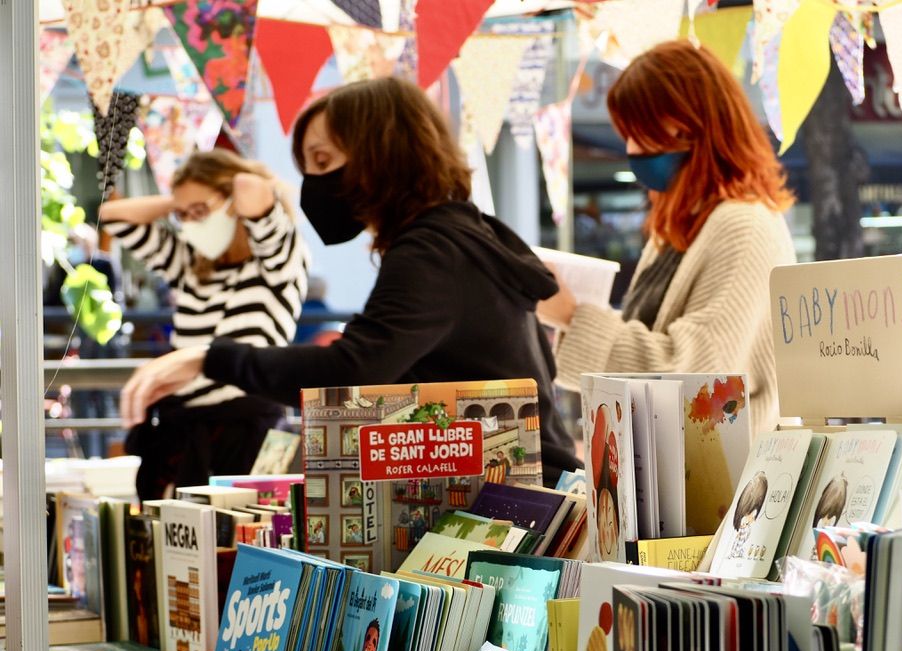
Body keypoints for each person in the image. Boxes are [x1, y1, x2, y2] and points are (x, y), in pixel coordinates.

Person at [118, 77, 579, 485]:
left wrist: (210, 359)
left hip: (520, 501)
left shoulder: (432, 250)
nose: (314, 184)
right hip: (526, 484)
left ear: (384, 151)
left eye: (323, 160)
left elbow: (351, 372)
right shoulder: (463, 234)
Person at [537, 41, 797, 435]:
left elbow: (697, 380)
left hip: (725, 483)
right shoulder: (683, 227)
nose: (631, 149)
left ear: (688, 126)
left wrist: (572, 315)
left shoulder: (745, 227)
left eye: (641, 133)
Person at [100, 149, 310, 500]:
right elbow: (112, 217)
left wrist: (218, 191)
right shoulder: (190, 265)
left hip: (250, 429)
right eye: (184, 216)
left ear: (232, 202)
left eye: (199, 212)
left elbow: (249, 185)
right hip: (185, 429)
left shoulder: (277, 261)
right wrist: (180, 203)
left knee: (243, 539)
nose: (191, 223)